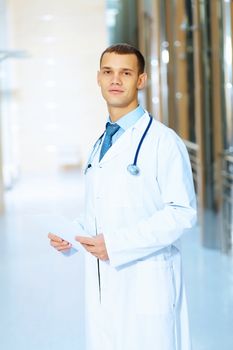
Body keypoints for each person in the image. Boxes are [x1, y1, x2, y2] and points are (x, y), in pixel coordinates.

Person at [48, 43, 196, 350]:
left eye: (125, 73)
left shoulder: (162, 141)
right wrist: (73, 237)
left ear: (140, 80)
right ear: (99, 79)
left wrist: (116, 244)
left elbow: (182, 212)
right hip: (105, 288)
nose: (115, 80)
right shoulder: (101, 142)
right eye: (108, 72)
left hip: (147, 285)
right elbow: (102, 209)